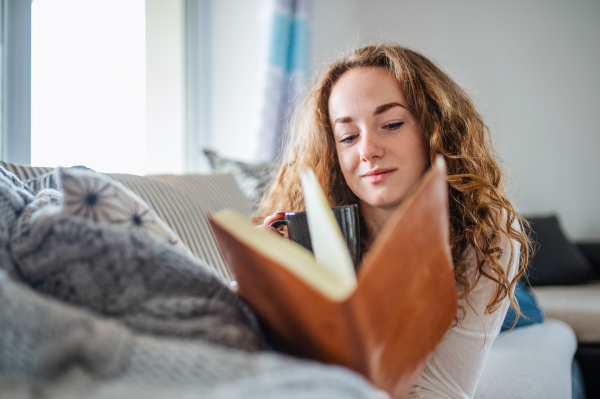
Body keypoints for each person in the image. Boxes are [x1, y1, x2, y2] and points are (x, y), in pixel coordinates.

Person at [255, 44, 531, 398]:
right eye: (348, 137)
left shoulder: (488, 234)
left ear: (435, 129)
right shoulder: (314, 227)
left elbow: (442, 390)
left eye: (391, 124)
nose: (367, 150)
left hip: (487, 283)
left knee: (523, 311)